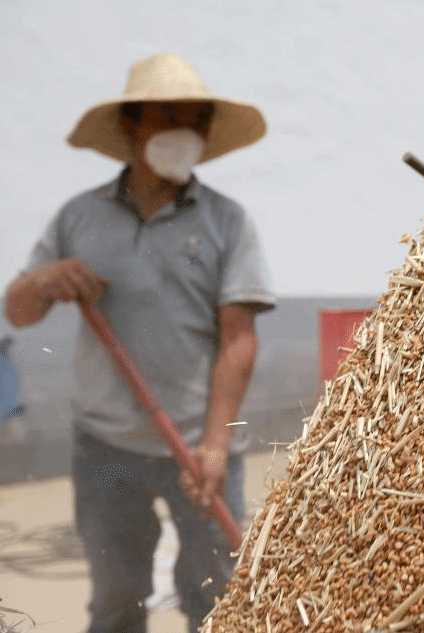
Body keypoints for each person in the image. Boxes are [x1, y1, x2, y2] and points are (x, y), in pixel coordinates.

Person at [2, 53, 275, 633]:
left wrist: (216, 445)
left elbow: (239, 340)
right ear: (131, 122)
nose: (186, 130)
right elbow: (18, 313)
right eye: (169, 113)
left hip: (201, 449)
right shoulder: (80, 218)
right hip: (105, 447)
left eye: (198, 119)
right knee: (115, 601)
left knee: (219, 602)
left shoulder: (227, 222)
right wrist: (43, 281)